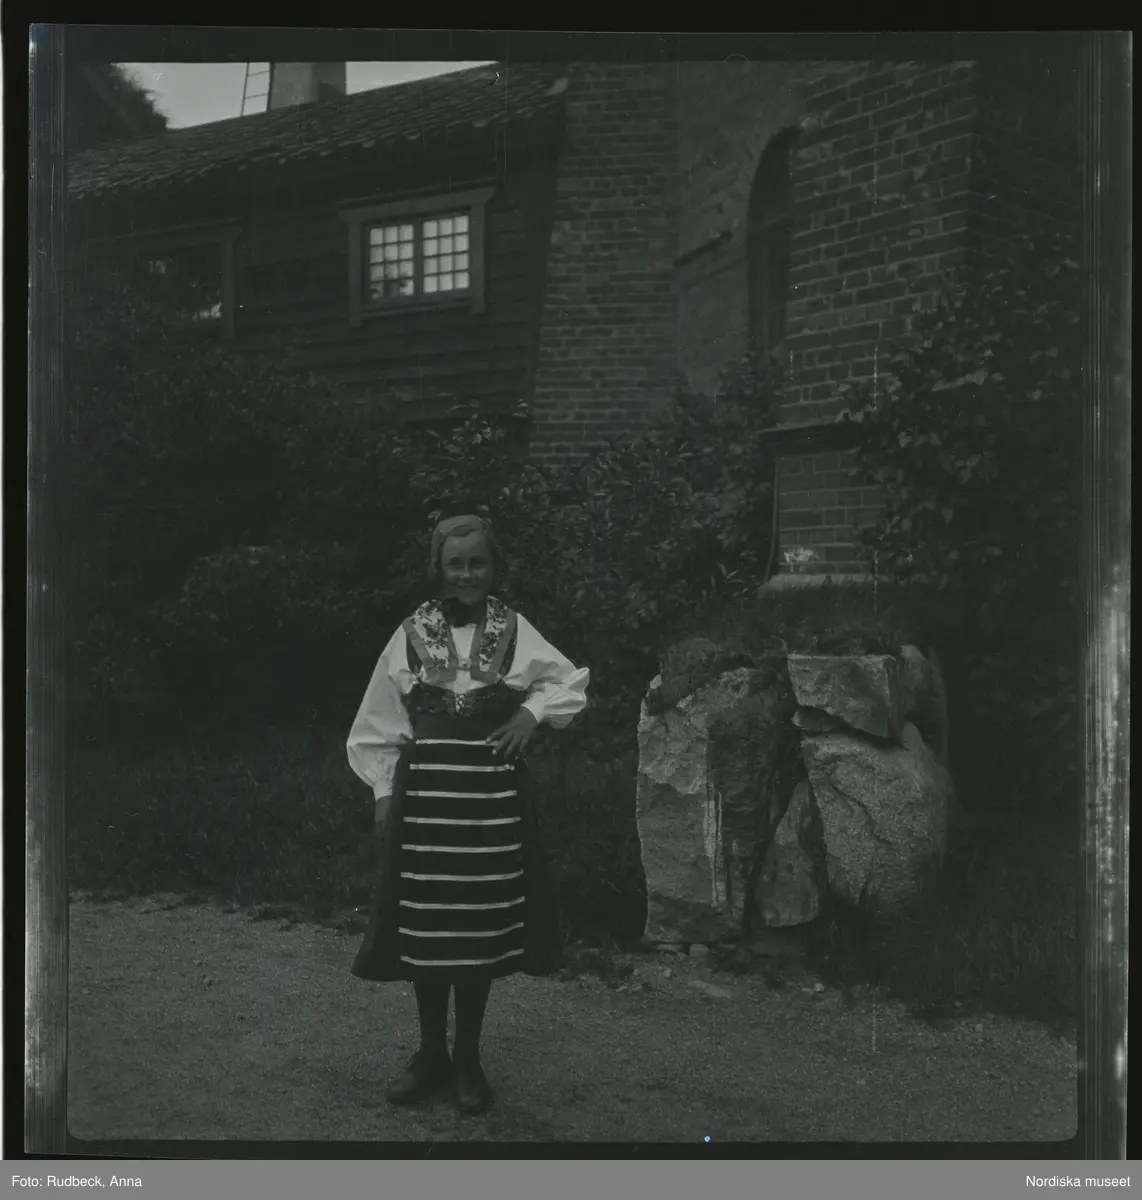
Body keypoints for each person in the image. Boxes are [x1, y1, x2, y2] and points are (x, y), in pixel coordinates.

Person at [346, 514, 589, 1115]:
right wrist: (383, 792)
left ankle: (468, 1058)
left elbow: (566, 681)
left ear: (494, 567)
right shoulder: (412, 632)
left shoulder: (514, 629)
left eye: (477, 562)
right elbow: (378, 718)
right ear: (438, 568)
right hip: (427, 805)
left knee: (477, 926)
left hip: (489, 804)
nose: (466, 574)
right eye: (455, 564)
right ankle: (430, 1053)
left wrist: (529, 715)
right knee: (430, 925)